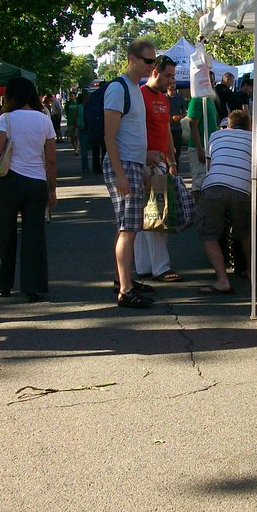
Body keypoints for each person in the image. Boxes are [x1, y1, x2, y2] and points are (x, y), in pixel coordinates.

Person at [0, 77, 57, 301]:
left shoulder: (5, 119)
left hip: (10, 180)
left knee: (5, 232)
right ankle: (33, 286)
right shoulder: (44, 119)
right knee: (34, 235)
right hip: (36, 181)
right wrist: (52, 189)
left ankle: (2, 282)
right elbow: (51, 160)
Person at [104, 38, 157, 309]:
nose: (152, 66)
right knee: (129, 227)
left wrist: (144, 162)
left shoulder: (135, 88)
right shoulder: (119, 88)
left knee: (127, 226)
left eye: (154, 61)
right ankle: (125, 289)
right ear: (132, 58)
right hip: (123, 164)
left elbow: (132, 132)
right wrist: (121, 173)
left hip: (132, 163)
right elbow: (109, 136)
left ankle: (122, 280)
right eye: (149, 61)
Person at [137, 55, 182, 283]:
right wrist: (143, 158)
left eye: (172, 76)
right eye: (168, 75)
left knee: (152, 215)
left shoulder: (164, 100)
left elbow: (166, 133)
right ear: (155, 72)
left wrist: (172, 162)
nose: (171, 80)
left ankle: (145, 266)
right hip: (145, 163)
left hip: (161, 163)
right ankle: (160, 267)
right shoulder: (139, 95)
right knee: (155, 216)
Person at [198, 109, 253, 295]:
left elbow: (209, 163)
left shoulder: (215, 135)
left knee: (209, 234)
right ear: (248, 126)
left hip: (214, 184)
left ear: (228, 124)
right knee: (245, 231)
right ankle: (251, 271)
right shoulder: (254, 138)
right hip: (242, 188)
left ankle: (222, 279)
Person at [188, 78, 220, 202]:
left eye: (212, 81)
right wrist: (199, 149)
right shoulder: (196, 100)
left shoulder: (209, 100)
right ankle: (196, 213)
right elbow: (192, 124)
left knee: (208, 179)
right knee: (199, 181)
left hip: (209, 146)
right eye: (207, 81)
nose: (210, 84)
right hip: (199, 147)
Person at [167, 83, 187, 166]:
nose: (172, 85)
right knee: (167, 152)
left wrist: (180, 117)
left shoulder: (180, 98)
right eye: (171, 84)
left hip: (177, 129)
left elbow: (184, 113)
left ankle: (176, 173)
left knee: (177, 152)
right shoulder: (163, 97)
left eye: (174, 84)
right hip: (167, 129)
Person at [75, 90, 90, 173]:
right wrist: (78, 126)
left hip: (89, 129)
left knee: (91, 148)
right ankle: (85, 166)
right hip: (82, 129)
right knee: (84, 150)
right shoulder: (79, 107)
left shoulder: (90, 106)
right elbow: (75, 118)